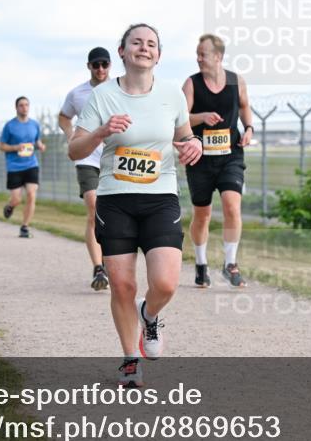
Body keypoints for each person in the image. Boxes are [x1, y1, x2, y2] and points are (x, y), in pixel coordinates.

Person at [69, 24, 203, 387]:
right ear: (123, 52)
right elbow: (75, 150)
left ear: (158, 55)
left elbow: (185, 135)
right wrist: (99, 133)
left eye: (151, 44)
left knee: (166, 283)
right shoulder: (102, 97)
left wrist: (195, 146)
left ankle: (151, 313)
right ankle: (130, 358)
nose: (144, 48)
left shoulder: (173, 95)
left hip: (160, 198)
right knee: (122, 285)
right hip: (115, 200)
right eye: (136, 43)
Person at [182, 34, 254, 288]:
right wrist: (200, 116)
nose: (198, 58)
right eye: (197, 54)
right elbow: (181, 119)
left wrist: (248, 128)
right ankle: (201, 265)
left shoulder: (236, 82)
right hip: (199, 158)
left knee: (232, 206)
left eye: (203, 54)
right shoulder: (191, 84)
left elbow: (245, 106)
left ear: (218, 56)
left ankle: (230, 263)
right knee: (202, 214)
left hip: (230, 155)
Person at [59, 46, 113, 291]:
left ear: (110, 65)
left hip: (113, 159)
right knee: (93, 207)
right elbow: (63, 116)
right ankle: (98, 267)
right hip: (87, 159)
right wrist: (71, 135)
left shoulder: (120, 89)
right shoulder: (77, 93)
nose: (100, 69)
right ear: (89, 66)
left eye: (104, 64)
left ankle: (111, 260)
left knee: (112, 213)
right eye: (96, 65)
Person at [0, 96, 45, 238]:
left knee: (31, 194)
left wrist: (40, 146)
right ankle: (10, 206)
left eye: (26, 105)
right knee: (17, 199)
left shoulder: (35, 124)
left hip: (31, 164)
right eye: (21, 105)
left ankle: (25, 227)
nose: (24, 107)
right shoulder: (9, 126)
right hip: (14, 166)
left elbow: (37, 141)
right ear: (16, 107)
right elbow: (1, 146)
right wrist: (15, 147)